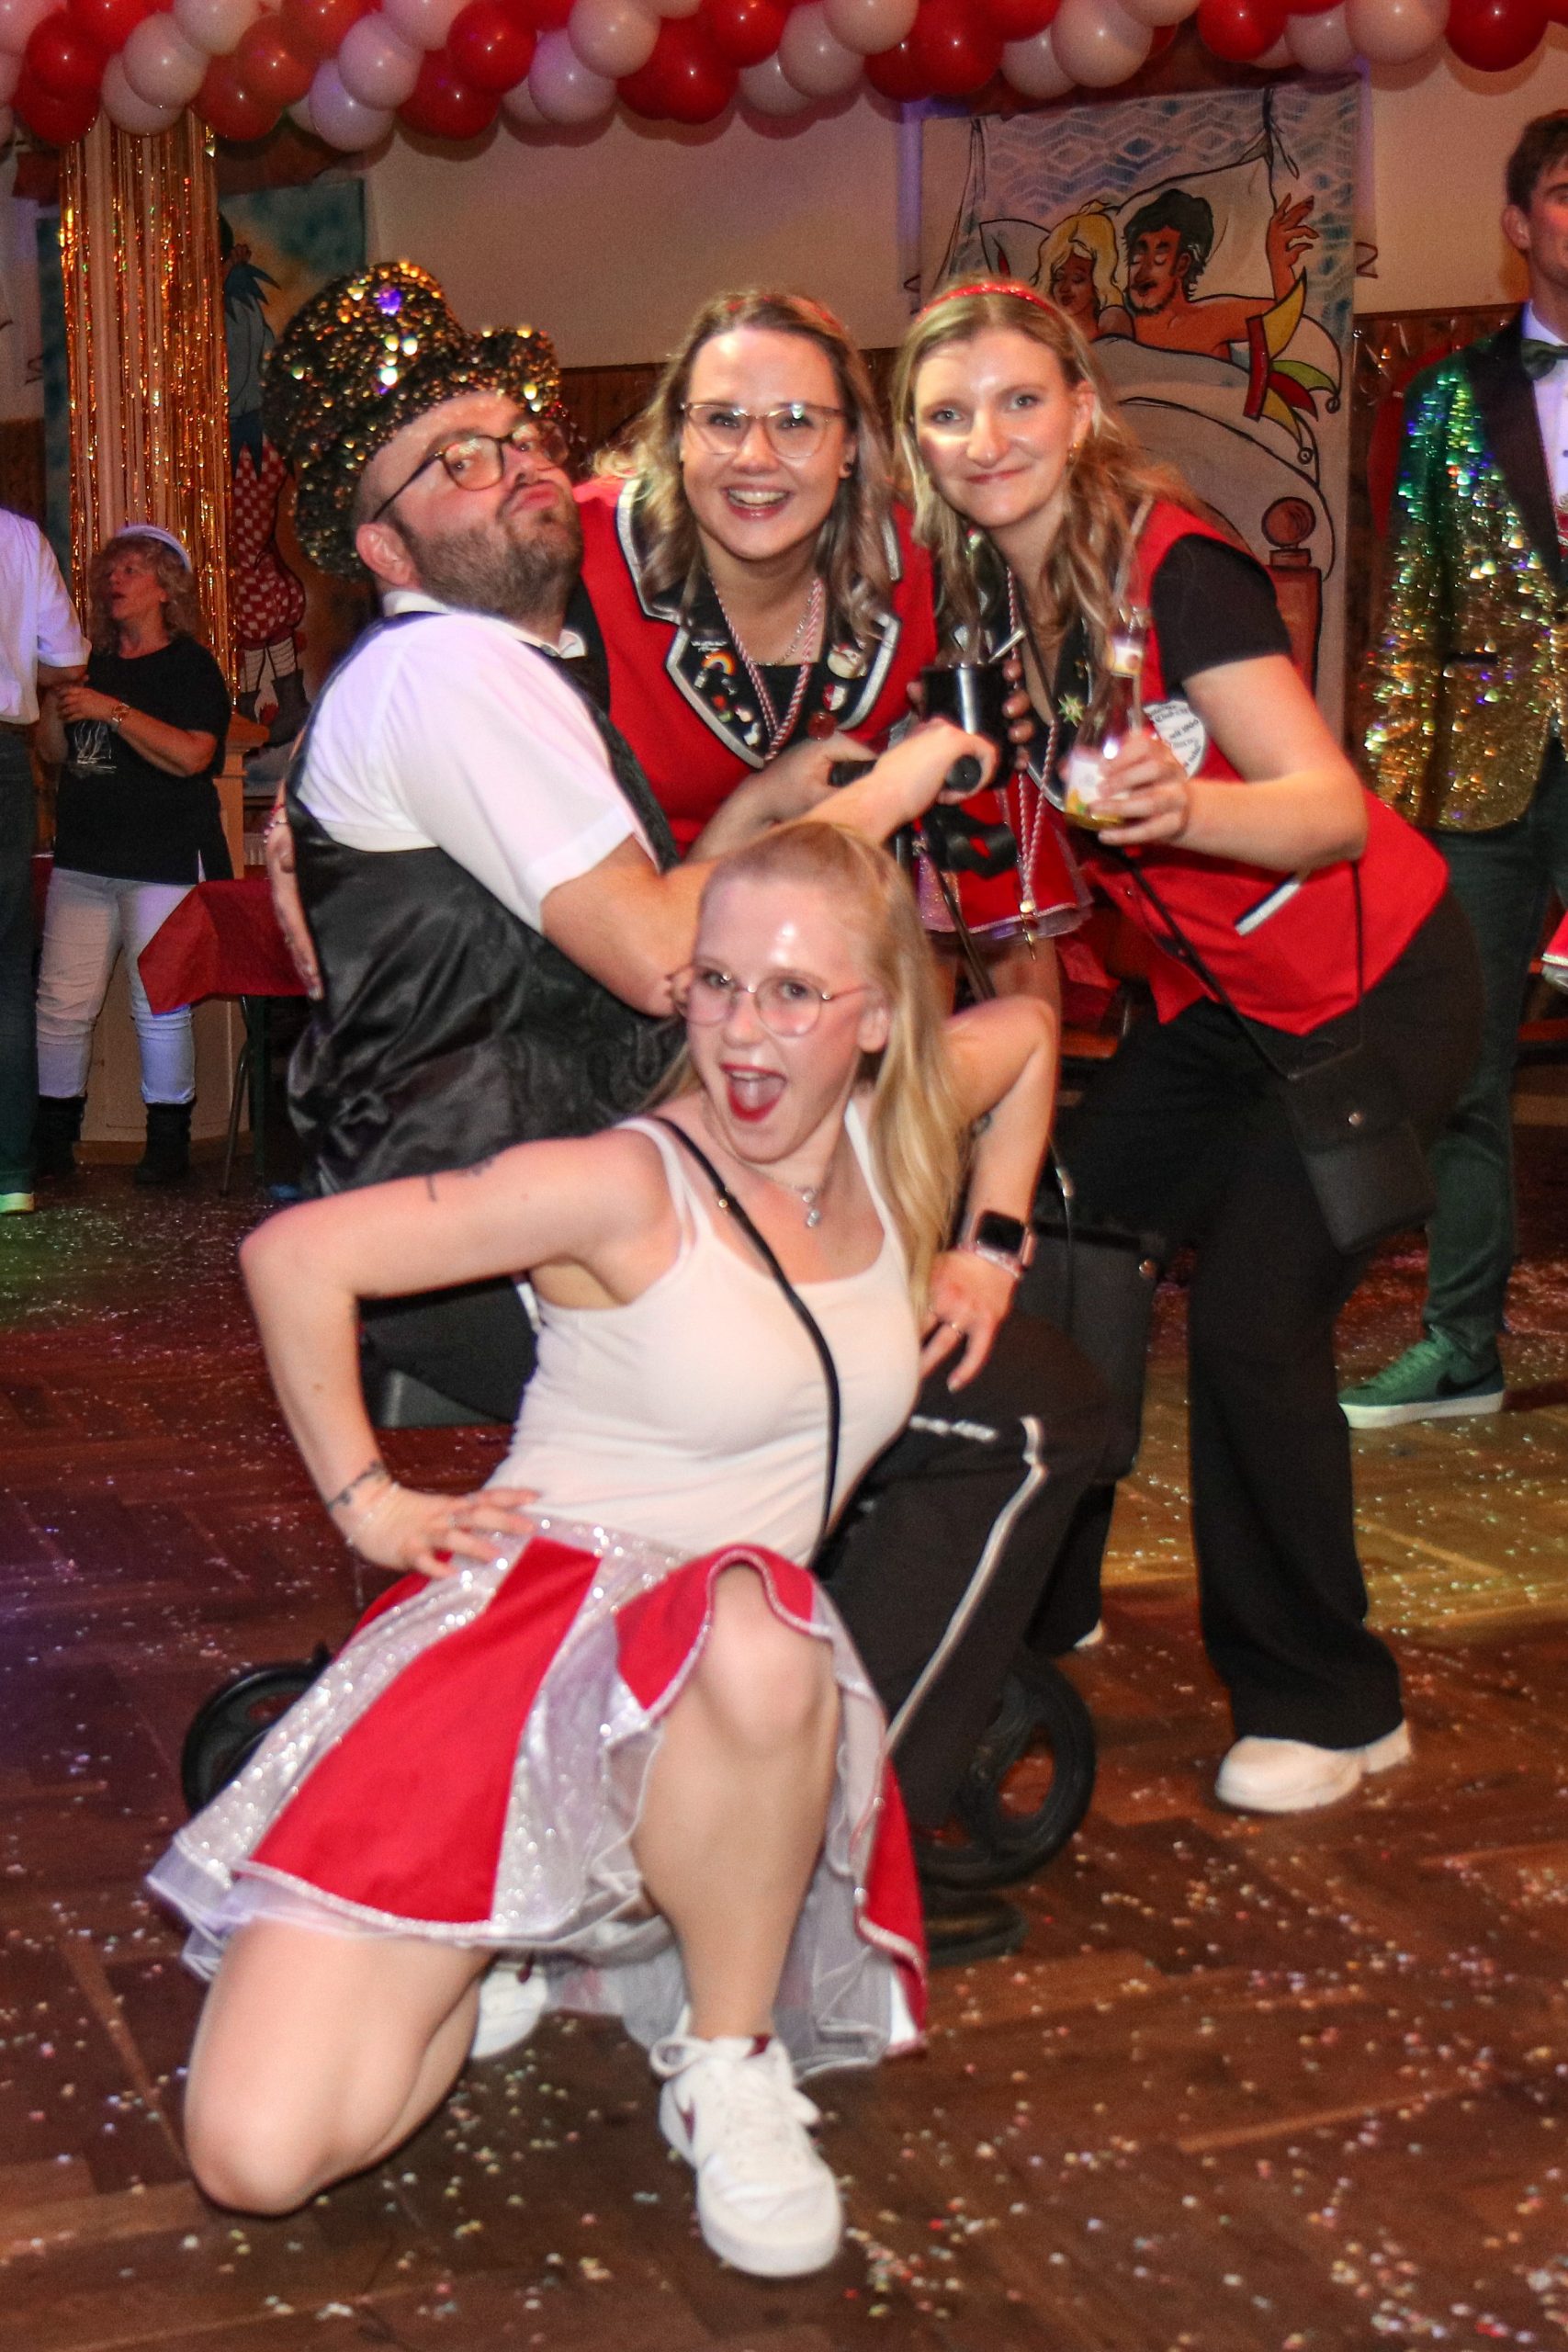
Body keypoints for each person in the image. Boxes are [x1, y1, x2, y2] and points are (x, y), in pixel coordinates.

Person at [260, 266, 1083, 1965]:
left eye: (510, 437)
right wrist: (880, 799)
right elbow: (654, 960)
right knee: (1003, 1425)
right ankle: (810, 1853)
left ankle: (708, 1812)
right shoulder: (450, 676)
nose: (506, 467)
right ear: (383, 545)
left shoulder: (498, 668)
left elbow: (635, 927)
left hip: (569, 1186)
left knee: (961, 1402)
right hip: (494, 1215)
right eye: (448, 461)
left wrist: (767, 804)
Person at [150, 820, 1058, 2278]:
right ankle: (518, 1931)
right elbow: (294, 1255)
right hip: (524, 1649)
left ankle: (724, 2057)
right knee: (256, 2156)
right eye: (715, 984)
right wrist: (369, 1504)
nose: (742, 1032)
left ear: (878, 1015)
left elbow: (1023, 1035)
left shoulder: (890, 1138)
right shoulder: (624, 1185)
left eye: (790, 992)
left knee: (755, 1624)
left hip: (724, 1689)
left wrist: (987, 1246)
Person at [894, 279, 1483, 1815]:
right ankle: (1044, 1589)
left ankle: (1331, 1703)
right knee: (1070, 1236)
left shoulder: (1177, 571)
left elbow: (1326, 810)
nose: (985, 439)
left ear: (1080, 411)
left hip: (1374, 984)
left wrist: (1187, 809)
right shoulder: (972, 612)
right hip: (1216, 1002)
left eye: (1019, 401)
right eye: (948, 414)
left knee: (1248, 1325)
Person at [580, 286, 1085, 991]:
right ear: (676, 438)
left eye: (796, 422)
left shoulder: (925, 571)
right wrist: (766, 799)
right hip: (613, 979)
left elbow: (995, 901)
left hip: (833, 989)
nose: (754, 457)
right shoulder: (576, 564)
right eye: (721, 419)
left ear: (849, 445)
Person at [1345, 110, 1568, 1430]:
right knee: (1460, 1065)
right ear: (1517, 222)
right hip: (1483, 777)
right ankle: (1460, 1345)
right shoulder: (1443, 396)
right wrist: (1382, 810)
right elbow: (1410, 609)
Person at [33, 526, 231, 1189]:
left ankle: (168, 1144)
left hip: (162, 859)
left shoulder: (189, 666)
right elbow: (55, 755)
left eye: (131, 570)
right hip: (84, 857)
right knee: (62, 1005)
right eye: (110, 571)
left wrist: (109, 709)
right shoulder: (91, 662)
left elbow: (194, 755)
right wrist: (57, 700)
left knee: (159, 1006)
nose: (114, 581)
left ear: (164, 588)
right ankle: (54, 1141)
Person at [0, 506, 87, 1216]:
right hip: (3, 752)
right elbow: (69, 662)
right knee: (6, 973)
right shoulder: (19, 537)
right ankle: (11, 1175)